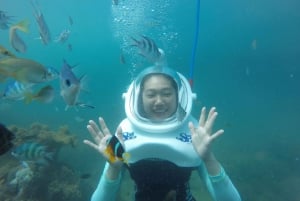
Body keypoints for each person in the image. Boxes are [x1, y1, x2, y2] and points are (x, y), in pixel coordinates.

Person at [84, 66, 241, 201]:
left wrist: (208, 158)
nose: (159, 101)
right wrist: (114, 167)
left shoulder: (193, 131)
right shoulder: (124, 131)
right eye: (151, 94)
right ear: (140, 97)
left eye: (166, 93)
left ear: (178, 96)